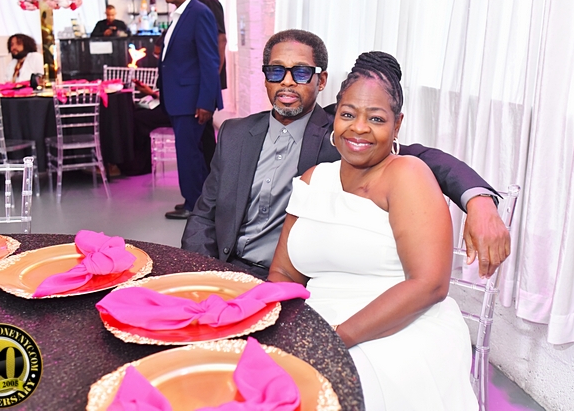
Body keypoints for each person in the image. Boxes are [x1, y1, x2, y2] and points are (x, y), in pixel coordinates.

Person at [182, 29, 509, 279]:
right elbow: (203, 215)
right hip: (222, 270)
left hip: (290, 279)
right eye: (276, 71)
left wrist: (479, 200)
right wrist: (202, 272)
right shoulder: (235, 133)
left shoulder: (342, 135)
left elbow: (423, 158)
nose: (287, 82)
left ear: (321, 80)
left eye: (301, 72)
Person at [268, 51, 478, 409]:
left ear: (397, 126)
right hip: (315, 319)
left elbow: (429, 284)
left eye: (376, 118)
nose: (359, 128)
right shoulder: (313, 179)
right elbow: (285, 272)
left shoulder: (407, 175)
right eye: (348, 114)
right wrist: (284, 326)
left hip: (397, 327)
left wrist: (334, 340)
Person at [159, 0, 222, 219]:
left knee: (188, 154)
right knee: (192, 152)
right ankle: (196, 200)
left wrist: (206, 101)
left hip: (191, 99)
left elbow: (209, 60)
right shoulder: (180, 14)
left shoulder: (199, 13)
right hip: (180, 97)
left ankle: (194, 206)